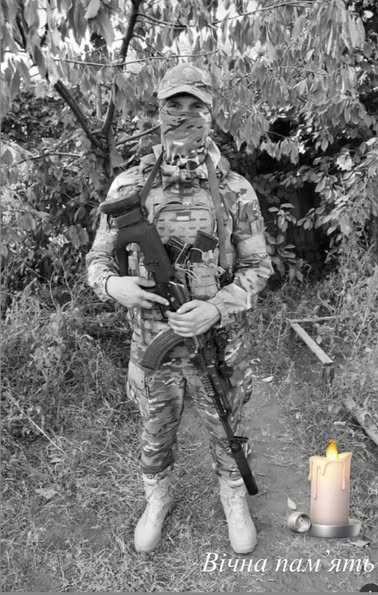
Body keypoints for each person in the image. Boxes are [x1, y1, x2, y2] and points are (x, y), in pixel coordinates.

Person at [86, 63, 273, 554]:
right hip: (153, 340)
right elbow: (97, 259)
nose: (185, 116)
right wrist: (115, 285)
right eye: (175, 106)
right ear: (159, 112)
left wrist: (216, 308)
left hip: (218, 343)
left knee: (227, 425)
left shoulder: (235, 190)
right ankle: (158, 496)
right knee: (156, 428)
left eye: (196, 107)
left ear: (211, 114)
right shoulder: (129, 185)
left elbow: (258, 267)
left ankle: (233, 496)